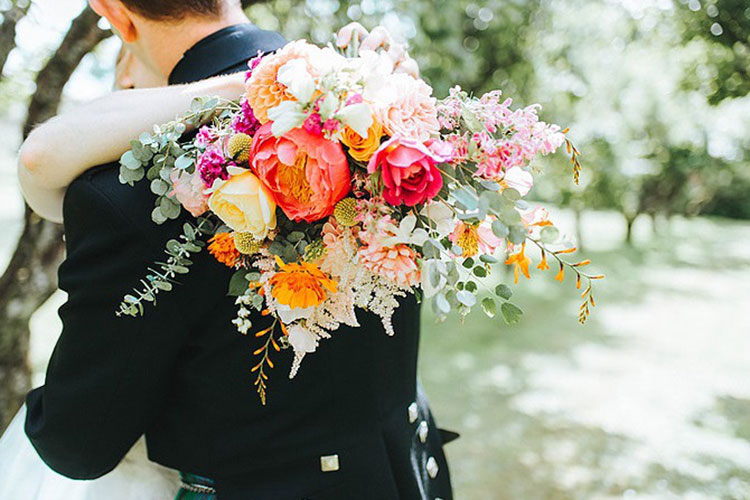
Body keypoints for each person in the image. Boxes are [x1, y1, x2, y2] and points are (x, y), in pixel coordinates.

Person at [9, 1, 455, 498]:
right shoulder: (382, 117)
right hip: (408, 476)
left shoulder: (129, 194)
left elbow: (77, 444)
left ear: (114, 13)